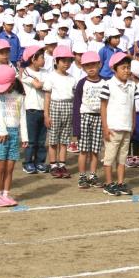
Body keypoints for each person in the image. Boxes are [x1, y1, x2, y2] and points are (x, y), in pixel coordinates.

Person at [0, 65, 26, 207]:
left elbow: (22, 116)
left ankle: (5, 194)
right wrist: (2, 131)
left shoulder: (19, 95)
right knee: (0, 167)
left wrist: (24, 136)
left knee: (10, 168)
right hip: (0, 132)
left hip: (14, 132)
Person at [100, 52, 138, 196]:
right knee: (109, 157)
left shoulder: (132, 86)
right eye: (123, 67)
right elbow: (103, 106)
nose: (126, 70)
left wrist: (133, 124)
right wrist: (105, 127)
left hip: (126, 127)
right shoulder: (108, 85)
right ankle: (109, 184)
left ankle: (120, 183)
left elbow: (133, 106)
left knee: (123, 157)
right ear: (114, 69)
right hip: (113, 127)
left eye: (128, 67)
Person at [73, 51, 105, 189]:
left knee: (95, 150)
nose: (91, 68)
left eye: (93, 65)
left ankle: (92, 175)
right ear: (83, 67)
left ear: (99, 64)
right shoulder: (82, 83)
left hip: (99, 118)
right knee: (84, 150)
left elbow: (107, 103)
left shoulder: (105, 82)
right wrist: (76, 125)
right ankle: (82, 176)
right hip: (85, 117)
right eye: (87, 66)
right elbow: (77, 104)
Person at [43, 45, 76, 179]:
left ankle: (62, 164)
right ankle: (53, 165)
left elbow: (73, 95)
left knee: (64, 139)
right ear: (56, 61)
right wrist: (46, 114)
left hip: (69, 106)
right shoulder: (51, 77)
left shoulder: (72, 78)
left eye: (69, 61)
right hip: (55, 107)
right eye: (63, 61)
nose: (66, 64)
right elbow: (47, 97)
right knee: (53, 139)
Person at [20, 45, 48, 175]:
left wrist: (43, 84)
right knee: (31, 139)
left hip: (44, 109)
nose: (44, 60)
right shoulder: (26, 71)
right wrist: (43, 84)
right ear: (33, 59)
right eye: (41, 57)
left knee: (41, 139)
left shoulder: (46, 72)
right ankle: (28, 163)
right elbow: (38, 85)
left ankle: (40, 162)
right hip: (31, 109)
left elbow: (48, 85)